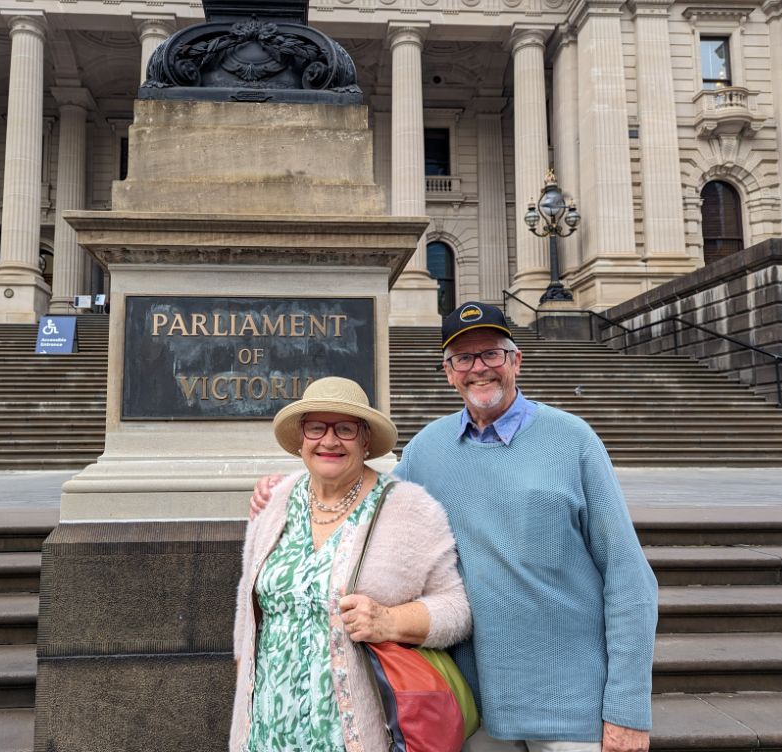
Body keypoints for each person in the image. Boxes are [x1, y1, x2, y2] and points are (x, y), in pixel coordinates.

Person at [251, 302, 659, 752]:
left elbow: (629, 579)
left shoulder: (573, 440)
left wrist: (627, 708)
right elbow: (363, 497)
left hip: (570, 707)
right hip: (472, 706)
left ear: (516, 361)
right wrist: (286, 489)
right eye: (464, 358)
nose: (478, 368)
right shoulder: (428, 449)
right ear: (449, 372)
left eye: (492, 354)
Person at [232, 376, 471, 752]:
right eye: (316, 427)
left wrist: (389, 621)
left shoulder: (410, 509)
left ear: (365, 440)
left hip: (354, 732)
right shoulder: (273, 502)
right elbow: (249, 610)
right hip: (267, 728)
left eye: (345, 428)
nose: (329, 440)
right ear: (300, 439)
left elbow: (457, 610)